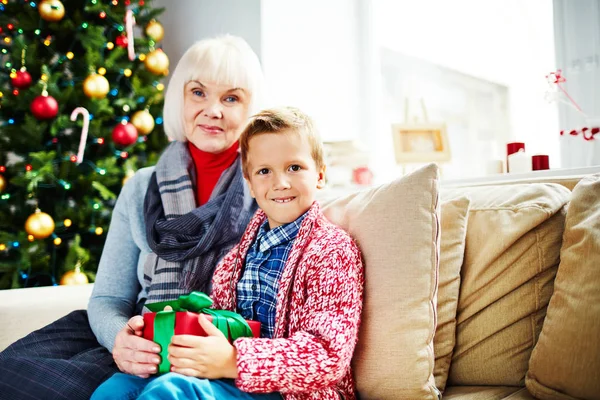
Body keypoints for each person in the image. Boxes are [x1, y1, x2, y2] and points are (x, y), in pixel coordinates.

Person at [0, 35, 264, 400]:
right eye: (198, 93)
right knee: (13, 372)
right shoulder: (141, 187)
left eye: (231, 98)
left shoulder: (267, 186)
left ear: (252, 110)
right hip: (138, 340)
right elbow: (109, 296)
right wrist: (121, 340)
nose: (213, 110)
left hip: (213, 353)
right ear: (179, 99)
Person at [91, 106, 365, 400]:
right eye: (264, 171)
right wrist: (163, 331)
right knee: (117, 388)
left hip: (295, 393)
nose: (280, 183)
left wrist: (234, 359)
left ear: (320, 175)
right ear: (249, 183)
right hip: (233, 381)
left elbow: (327, 354)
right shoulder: (233, 262)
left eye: (294, 168)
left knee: (172, 391)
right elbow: (218, 324)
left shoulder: (331, 251)